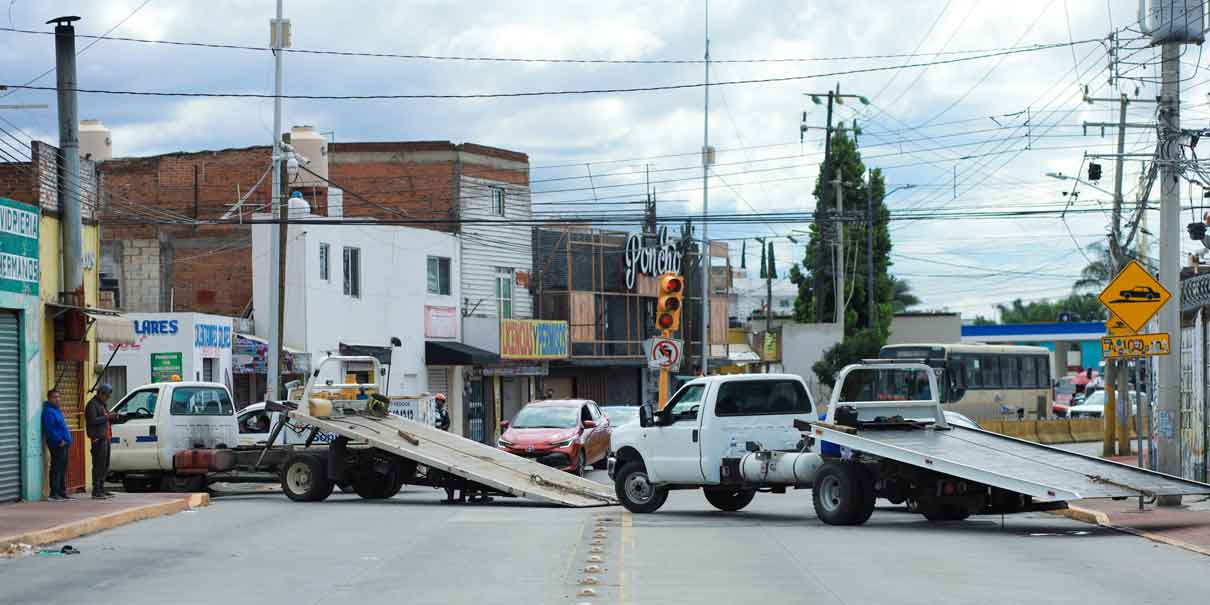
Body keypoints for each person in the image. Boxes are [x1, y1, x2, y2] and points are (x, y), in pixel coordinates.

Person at [84, 384, 119, 499]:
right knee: (98, 465)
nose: (107, 398)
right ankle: (96, 490)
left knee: (105, 465)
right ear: (100, 394)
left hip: (106, 438)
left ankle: (102, 488)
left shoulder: (102, 405)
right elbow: (93, 420)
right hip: (98, 439)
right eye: (107, 396)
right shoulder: (92, 405)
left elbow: (104, 420)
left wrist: (112, 418)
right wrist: (108, 417)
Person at [42, 389, 72, 501]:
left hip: (64, 444)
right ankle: (54, 493)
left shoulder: (57, 410)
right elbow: (49, 429)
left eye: (59, 397)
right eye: (55, 397)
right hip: (57, 444)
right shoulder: (48, 411)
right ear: (49, 399)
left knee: (62, 468)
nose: (58, 399)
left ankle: (62, 491)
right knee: (56, 468)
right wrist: (60, 440)